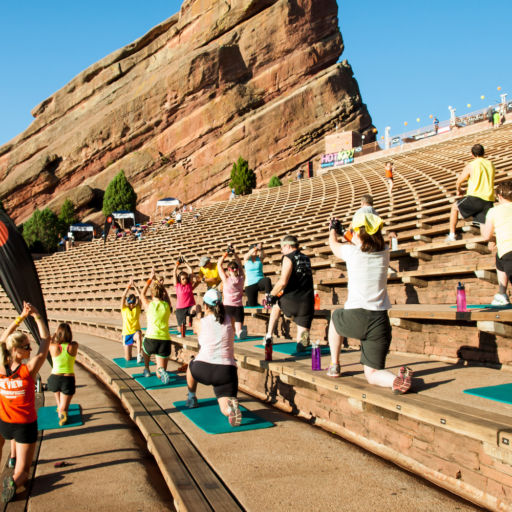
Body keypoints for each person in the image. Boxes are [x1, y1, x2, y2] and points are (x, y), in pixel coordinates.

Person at [326, 213, 413, 394]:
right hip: (379, 320)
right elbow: (363, 242)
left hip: (356, 316)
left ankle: (335, 365)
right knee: (372, 373)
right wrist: (347, 233)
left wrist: (333, 230)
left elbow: (333, 245)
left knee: (335, 317)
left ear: (359, 233)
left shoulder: (351, 252)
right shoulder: (385, 253)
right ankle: (396, 381)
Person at [0, 302, 50, 503]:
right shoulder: (28, 369)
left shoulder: (2, 367)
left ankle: (12, 472)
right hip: (24, 425)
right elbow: (45, 340)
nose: (31, 349)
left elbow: (3, 340)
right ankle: (14, 482)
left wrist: (21, 317)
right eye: (27, 346)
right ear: (17, 350)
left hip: (4, 421)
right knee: (23, 472)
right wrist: (36, 316)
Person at [185, 289, 242, 427]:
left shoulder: (200, 322)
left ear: (205, 306)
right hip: (226, 371)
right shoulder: (231, 319)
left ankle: (192, 397)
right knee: (224, 405)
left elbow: (196, 330)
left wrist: (198, 313)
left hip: (203, 367)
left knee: (190, 365)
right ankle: (230, 410)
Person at [264, 235, 314, 352]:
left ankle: (269, 336)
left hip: (291, 300)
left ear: (288, 246)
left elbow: (283, 282)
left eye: (282, 248)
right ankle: (303, 343)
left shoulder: (287, 257)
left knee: (276, 305)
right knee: (302, 342)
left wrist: (271, 295)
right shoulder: (306, 258)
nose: (281, 251)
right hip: (307, 304)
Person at [446, 144, 495, 241]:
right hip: (489, 200)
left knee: (454, 207)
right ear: (484, 153)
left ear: (472, 154)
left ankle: (452, 235)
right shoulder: (490, 164)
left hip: (475, 197)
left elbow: (459, 181)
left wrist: (459, 190)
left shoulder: (471, 165)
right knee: (486, 236)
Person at [482, 181, 512, 306]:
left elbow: (486, 236)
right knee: (498, 257)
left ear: (499, 196)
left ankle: (502, 295)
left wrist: (481, 225)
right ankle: (501, 294)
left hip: (509, 252)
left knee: (501, 255)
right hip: (504, 252)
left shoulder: (494, 211)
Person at [140, 270, 172, 383]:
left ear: (152, 294)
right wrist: (162, 286)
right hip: (164, 340)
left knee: (144, 349)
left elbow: (142, 294)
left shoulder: (149, 305)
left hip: (151, 339)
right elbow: (167, 298)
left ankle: (147, 368)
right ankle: (161, 370)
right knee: (159, 374)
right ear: (162, 293)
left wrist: (150, 279)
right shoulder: (167, 305)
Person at [47, 323, 78, 426]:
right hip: (68, 379)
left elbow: (50, 341)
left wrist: (54, 335)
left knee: (57, 390)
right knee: (64, 406)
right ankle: (62, 412)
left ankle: (59, 407)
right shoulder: (73, 345)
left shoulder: (52, 346)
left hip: (54, 378)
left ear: (58, 334)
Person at [218, 248, 246, 339]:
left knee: (227, 326)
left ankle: (229, 334)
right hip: (239, 306)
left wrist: (226, 253)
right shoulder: (241, 278)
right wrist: (234, 254)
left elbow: (219, 265)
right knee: (238, 326)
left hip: (228, 306)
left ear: (229, 270)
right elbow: (240, 264)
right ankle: (239, 332)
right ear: (236, 269)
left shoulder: (226, 279)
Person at [173, 259, 201, 336]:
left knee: (198, 307)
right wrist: (177, 264)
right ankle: (182, 333)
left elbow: (191, 271)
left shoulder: (189, 285)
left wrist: (185, 263)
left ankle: (199, 322)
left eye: (186, 278)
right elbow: (174, 272)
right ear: (180, 280)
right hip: (180, 309)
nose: (185, 280)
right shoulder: (177, 286)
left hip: (190, 307)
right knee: (182, 329)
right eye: (183, 279)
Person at [120, 278, 143, 363]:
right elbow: (123, 297)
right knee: (128, 358)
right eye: (130, 303)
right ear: (128, 303)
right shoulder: (124, 309)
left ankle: (139, 354)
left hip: (135, 332)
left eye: (133, 303)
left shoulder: (137, 308)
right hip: (126, 333)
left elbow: (141, 296)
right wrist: (129, 286)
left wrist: (135, 287)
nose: (132, 305)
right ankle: (128, 351)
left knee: (139, 334)